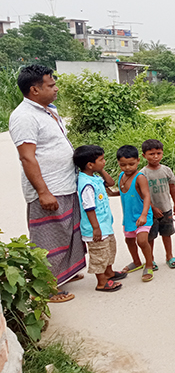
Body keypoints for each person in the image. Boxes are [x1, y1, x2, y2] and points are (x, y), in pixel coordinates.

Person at [9, 64, 86, 303]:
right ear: (34, 89)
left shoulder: (47, 110)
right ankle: (47, 288)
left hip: (64, 184)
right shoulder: (23, 116)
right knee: (48, 239)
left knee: (67, 232)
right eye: (51, 85)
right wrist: (43, 192)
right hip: (49, 188)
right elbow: (27, 157)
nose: (56, 89)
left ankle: (64, 273)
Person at [72, 145, 127, 292]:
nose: (104, 161)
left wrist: (100, 169)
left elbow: (110, 183)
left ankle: (109, 272)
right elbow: (88, 207)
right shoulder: (86, 184)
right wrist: (95, 227)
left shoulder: (94, 177)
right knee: (99, 254)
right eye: (101, 160)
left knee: (109, 250)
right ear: (90, 165)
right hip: (95, 228)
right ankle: (101, 281)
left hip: (105, 225)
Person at [113, 145, 155, 282]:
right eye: (123, 165)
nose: (127, 167)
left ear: (138, 161)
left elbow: (147, 195)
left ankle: (149, 264)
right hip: (129, 217)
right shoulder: (121, 176)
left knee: (142, 240)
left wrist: (143, 215)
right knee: (129, 240)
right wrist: (113, 193)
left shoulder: (140, 177)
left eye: (131, 164)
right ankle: (136, 261)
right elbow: (125, 191)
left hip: (142, 215)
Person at [141, 139, 175, 270]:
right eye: (151, 154)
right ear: (144, 156)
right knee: (150, 236)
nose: (155, 156)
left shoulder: (166, 170)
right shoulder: (143, 174)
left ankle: (169, 256)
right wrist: (152, 207)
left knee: (167, 234)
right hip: (150, 211)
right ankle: (150, 259)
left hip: (166, 208)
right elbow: (142, 194)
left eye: (158, 153)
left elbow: (172, 187)